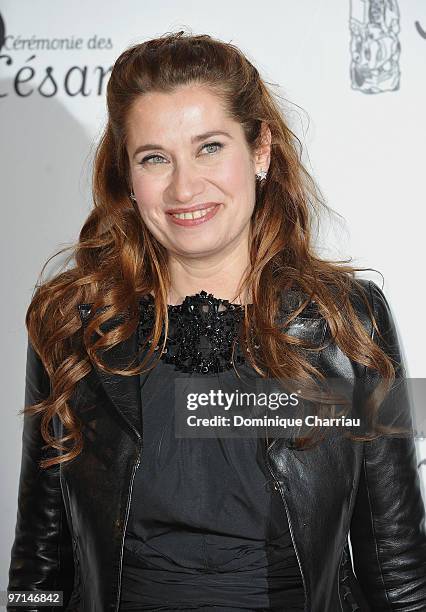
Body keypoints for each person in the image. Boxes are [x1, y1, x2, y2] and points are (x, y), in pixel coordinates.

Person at [7, 31, 426, 612]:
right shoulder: (77, 325)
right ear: (128, 177)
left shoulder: (346, 321)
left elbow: (399, 572)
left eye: (209, 147)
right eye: (155, 158)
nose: (184, 187)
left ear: (260, 151)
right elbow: (38, 567)